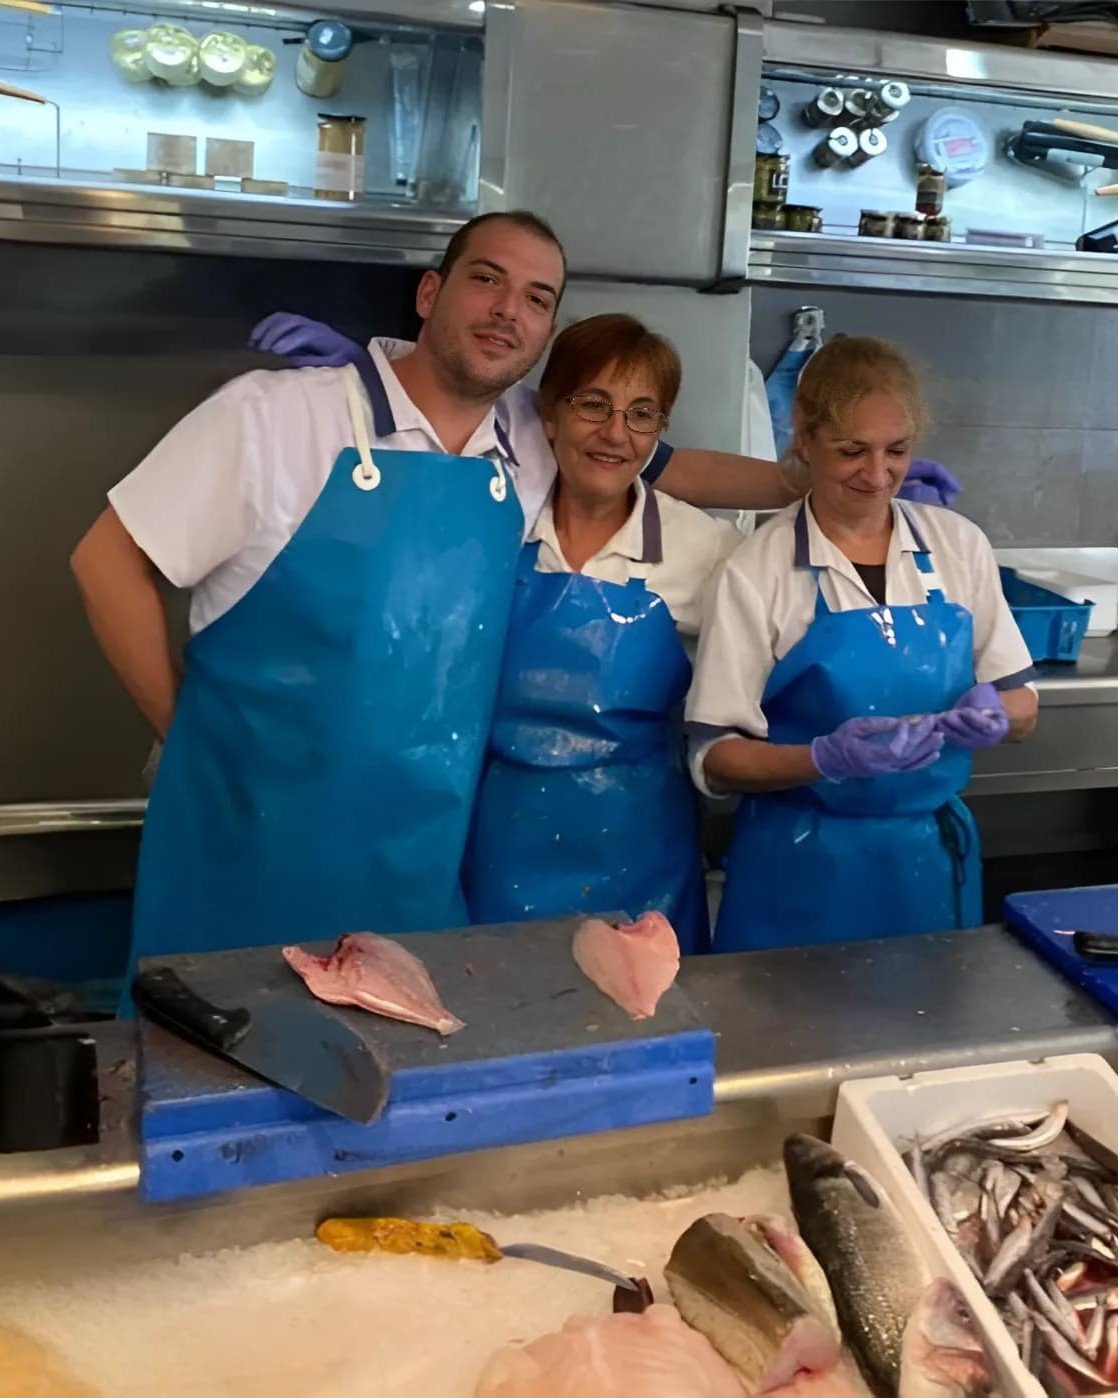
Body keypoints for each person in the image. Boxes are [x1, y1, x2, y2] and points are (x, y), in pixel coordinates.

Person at [69, 210, 802, 998]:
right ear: (429, 292)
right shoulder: (280, 416)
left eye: (536, 298)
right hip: (247, 837)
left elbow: (659, 464)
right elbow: (107, 559)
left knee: (401, 1085)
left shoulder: (526, 438)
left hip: (415, 860)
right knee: (214, 1067)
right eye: (486, 279)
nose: (506, 311)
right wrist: (187, 741)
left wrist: (817, 484)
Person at [686, 338, 1038, 954]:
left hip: (927, 863)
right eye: (852, 451)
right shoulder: (757, 570)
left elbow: (1024, 705)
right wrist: (823, 759)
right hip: (800, 868)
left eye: (896, 451)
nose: (877, 476)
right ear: (803, 436)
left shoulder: (958, 546)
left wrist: (990, 716)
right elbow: (716, 756)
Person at [463, 315, 739, 953]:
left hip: (642, 871)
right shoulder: (492, 525)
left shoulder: (707, 551)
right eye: (594, 405)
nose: (616, 433)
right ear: (550, 416)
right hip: (495, 852)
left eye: (642, 414)